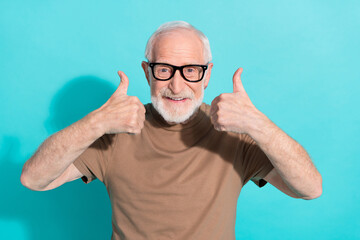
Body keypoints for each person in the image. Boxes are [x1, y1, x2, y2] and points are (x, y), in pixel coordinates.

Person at [20, 21, 322, 240]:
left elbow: (309, 189)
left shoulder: (236, 135)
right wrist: (97, 122)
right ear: (147, 71)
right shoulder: (114, 133)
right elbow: (34, 179)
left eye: (191, 70)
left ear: (207, 75)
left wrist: (258, 124)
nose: (176, 86)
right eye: (164, 69)